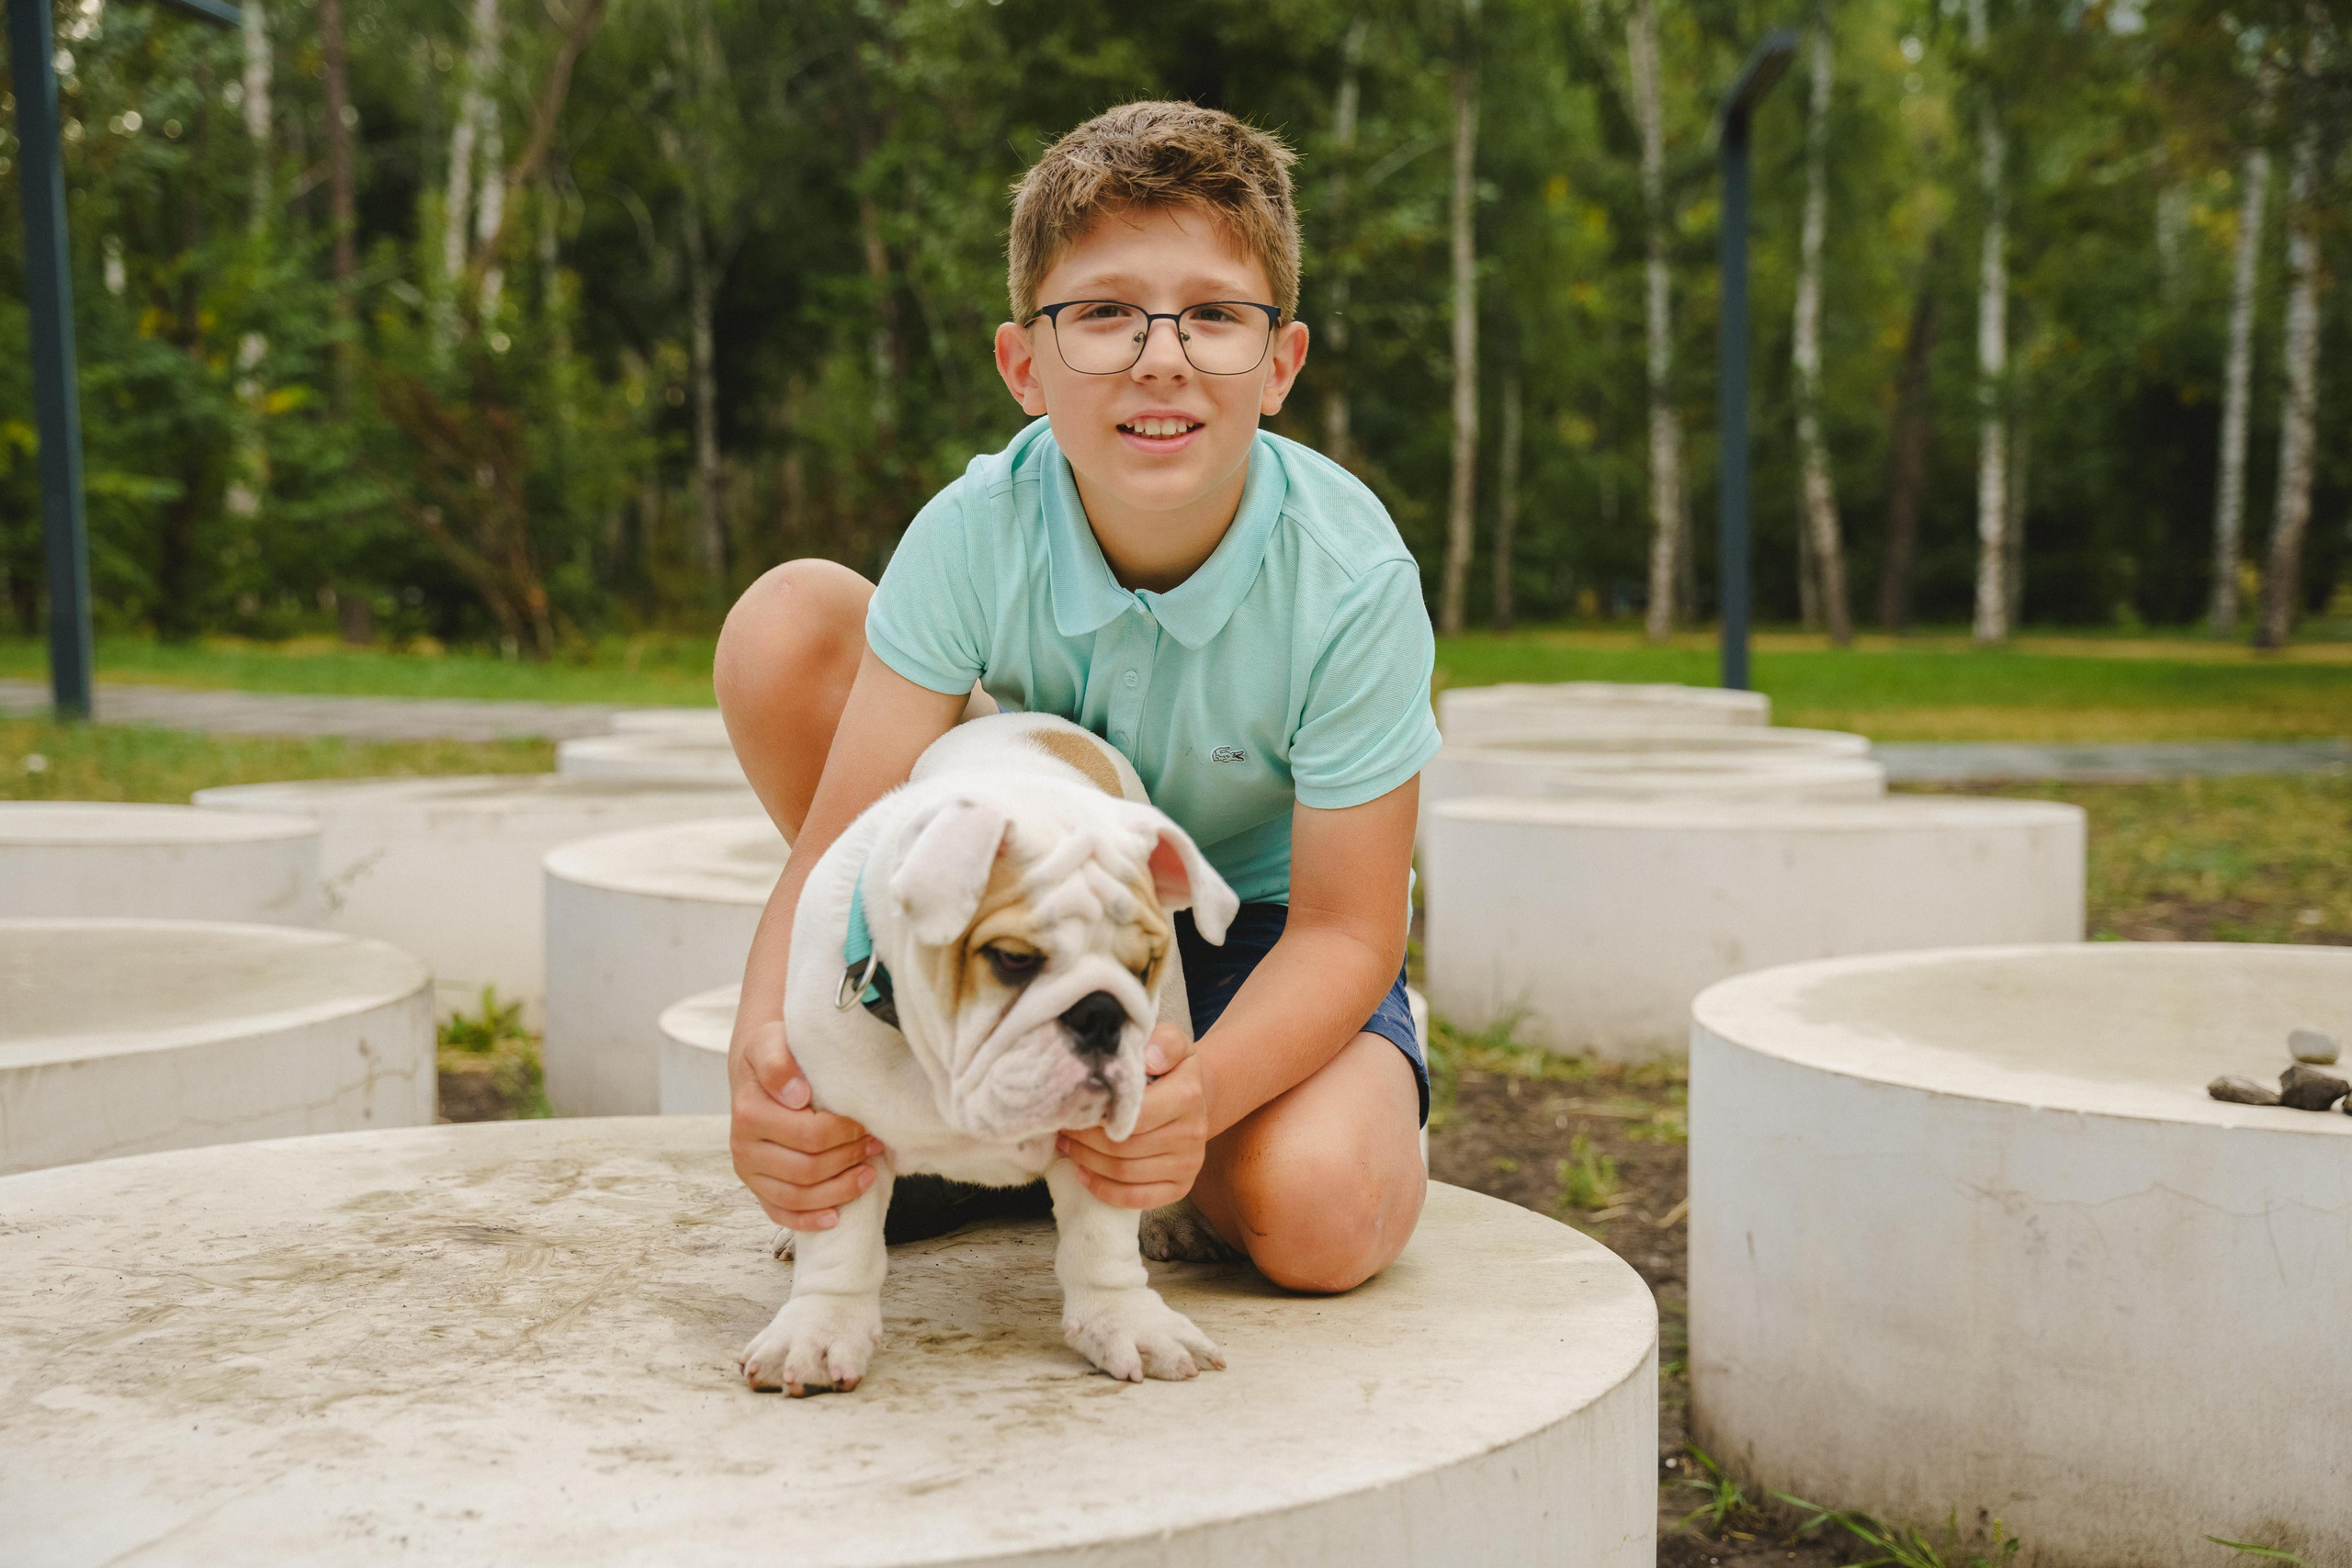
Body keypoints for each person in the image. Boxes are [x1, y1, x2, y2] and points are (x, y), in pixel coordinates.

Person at [718, 100, 1439, 1294]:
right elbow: (842, 851)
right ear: (1024, 366)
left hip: (1244, 936)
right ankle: (960, 1088)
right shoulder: (976, 531)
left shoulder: (1352, 578)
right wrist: (763, 1056)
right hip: (1014, 917)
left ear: (1281, 366)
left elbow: (1349, 928)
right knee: (787, 624)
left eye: (1214, 315)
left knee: (1323, 1217)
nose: (1162, 353)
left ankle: (1081, 1134)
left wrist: (1194, 1095)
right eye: (1104, 313)